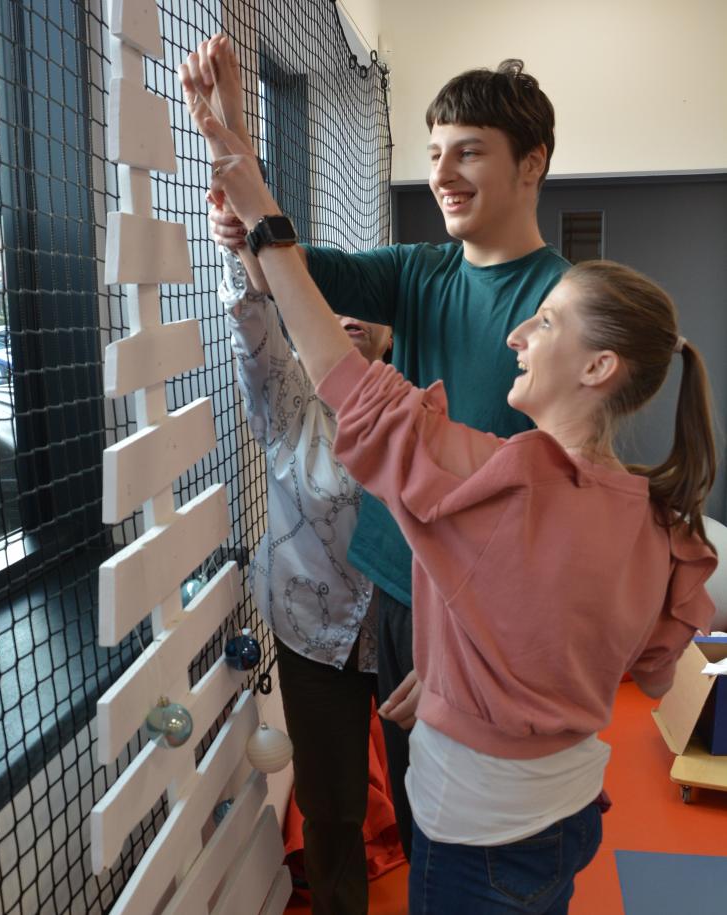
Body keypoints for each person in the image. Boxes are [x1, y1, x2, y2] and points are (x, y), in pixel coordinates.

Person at [196, 115, 719, 914]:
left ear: (598, 367)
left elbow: (346, 382)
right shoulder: (659, 516)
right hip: (570, 814)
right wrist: (455, 676)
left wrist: (253, 195)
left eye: (545, 322)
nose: (518, 335)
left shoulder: (502, 485)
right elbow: (645, 664)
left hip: (477, 835)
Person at [183, 36, 571, 857]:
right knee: (401, 802)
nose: (443, 173)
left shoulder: (565, 301)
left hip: (476, 612)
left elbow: (555, 511)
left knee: (456, 826)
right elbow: (292, 271)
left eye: (469, 151)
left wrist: (473, 648)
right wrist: (237, 168)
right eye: (434, 153)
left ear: (532, 163)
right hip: (397, 586)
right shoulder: (422, 271)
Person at [215, 198, 395, 911]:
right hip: (312, 635)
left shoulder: (420, 404)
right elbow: (254, 330)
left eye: (365, 305)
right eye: (329, 302)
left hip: (406, 634)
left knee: (427, 792)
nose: (348, 315)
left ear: (390, 327)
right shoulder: (290, 401)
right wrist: (245, 251)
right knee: (331, 806)